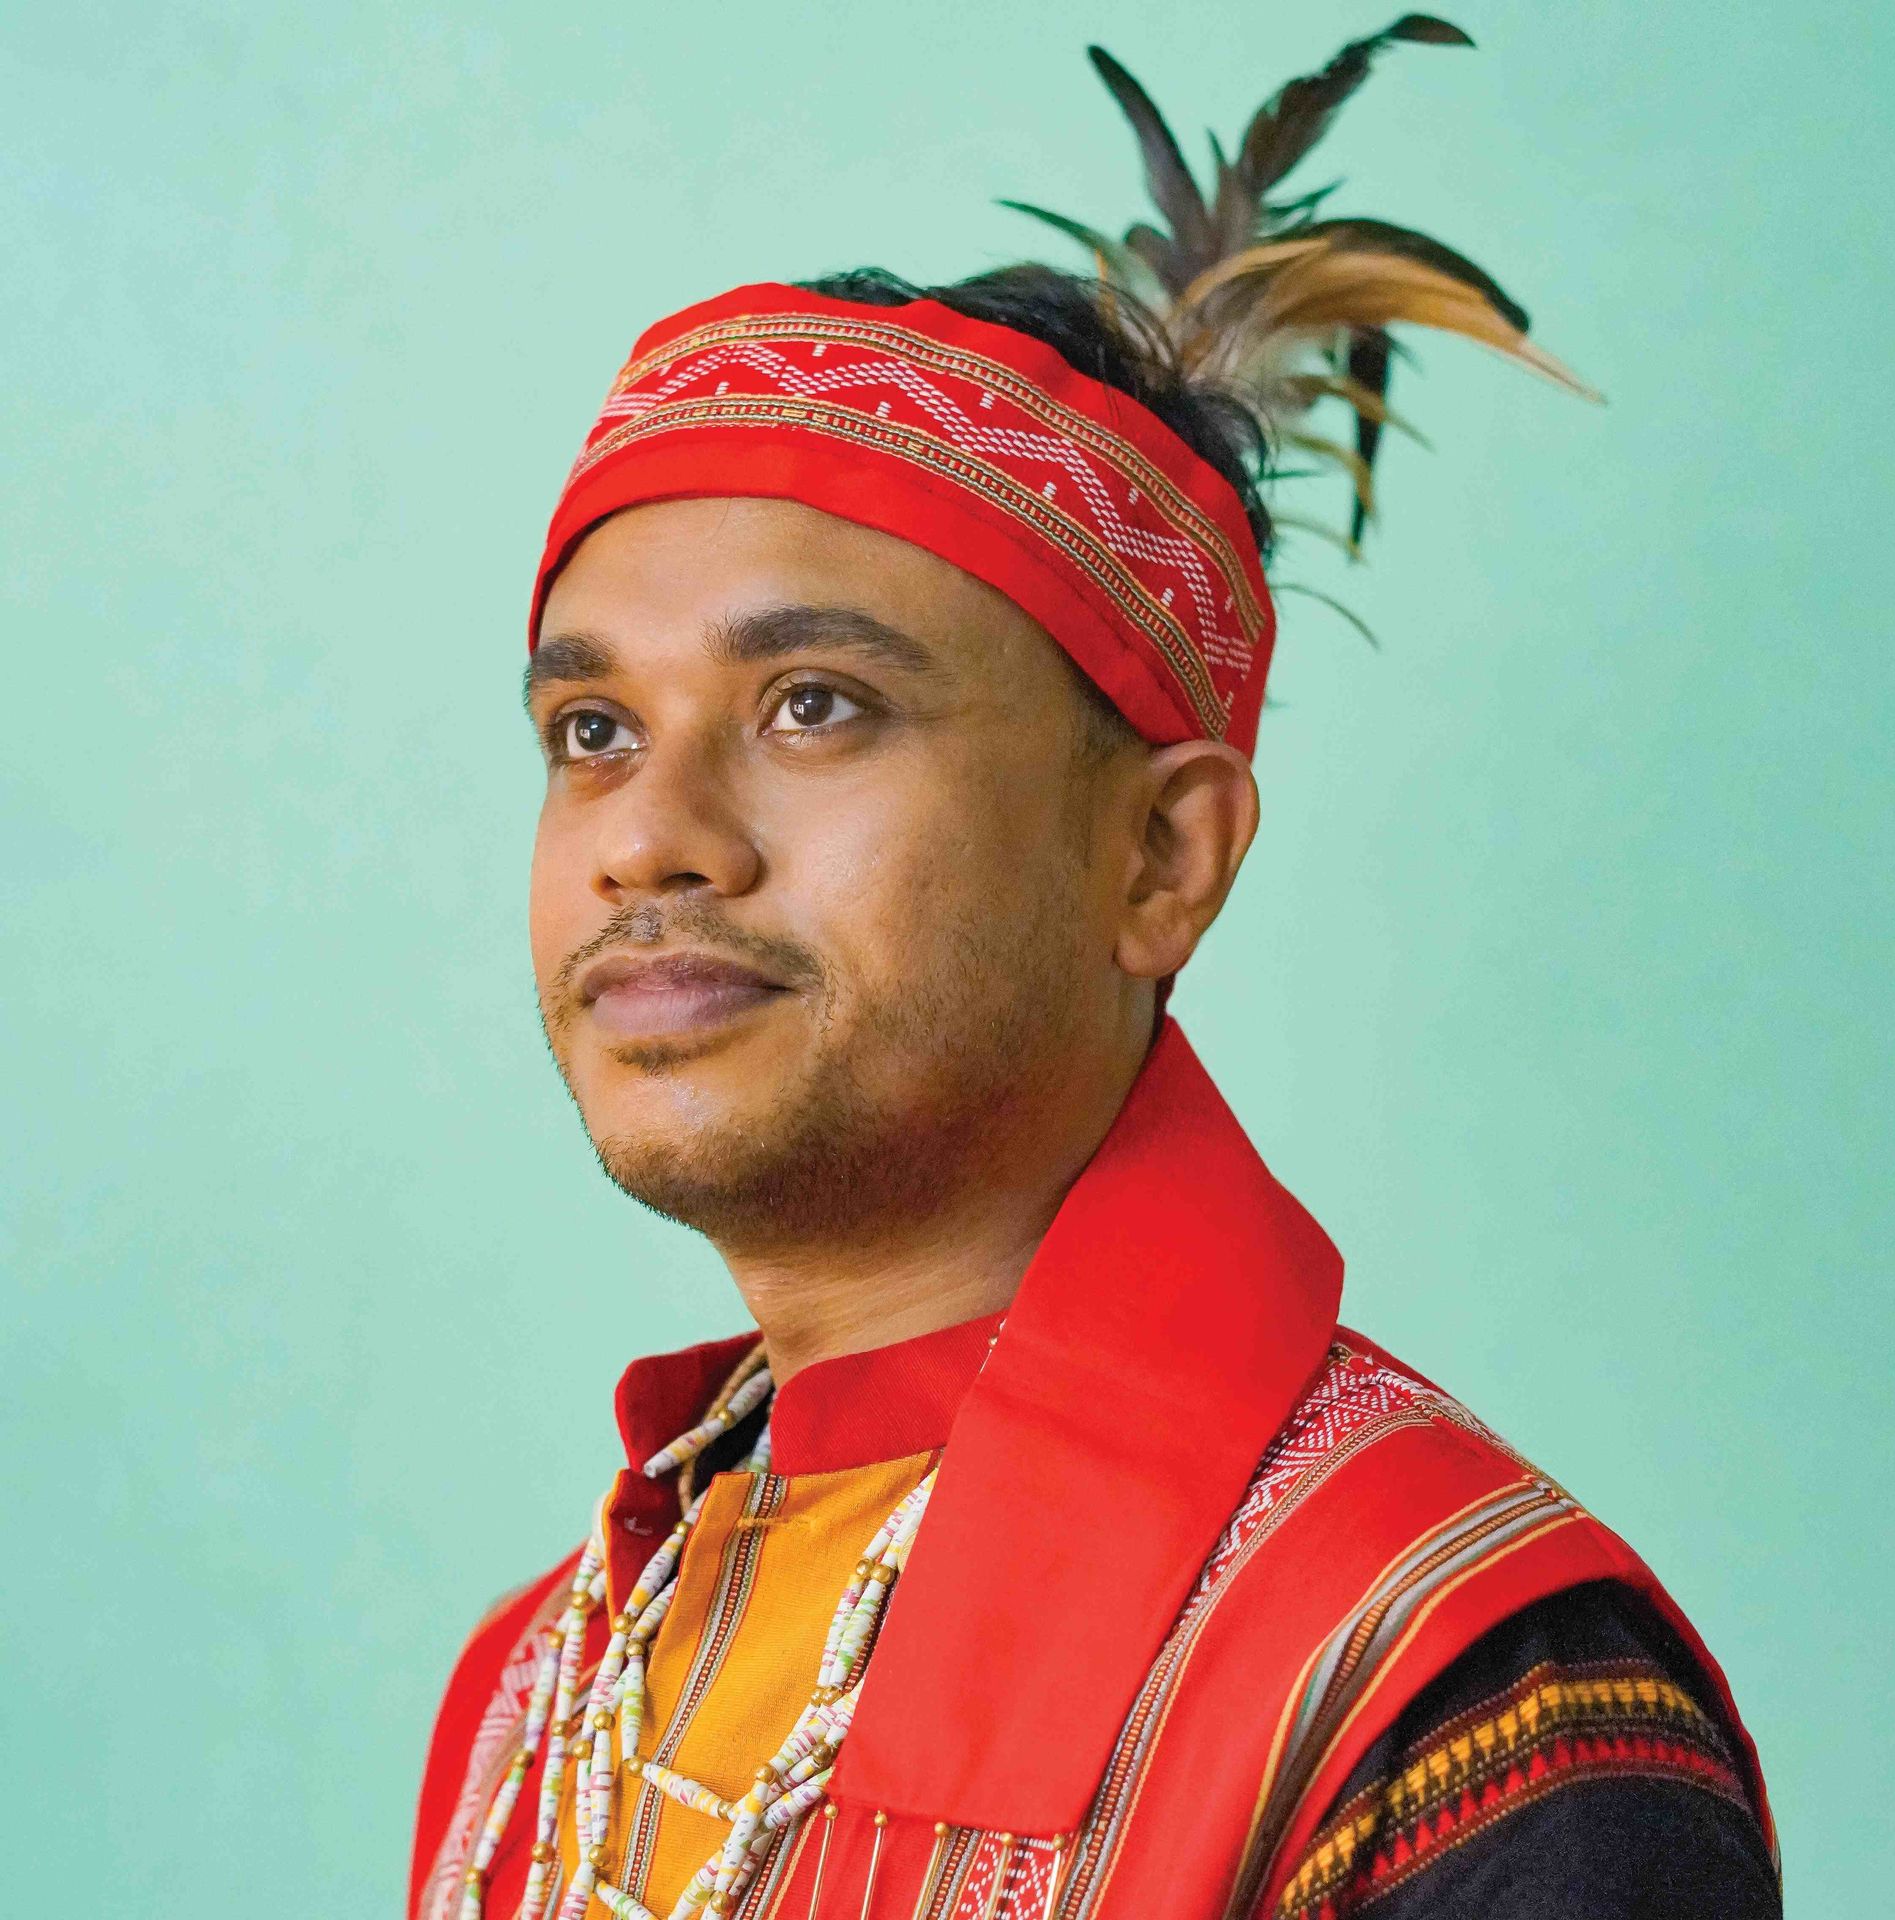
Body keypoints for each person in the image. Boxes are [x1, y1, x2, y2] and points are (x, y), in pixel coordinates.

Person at [411, 23, 1780, 1920]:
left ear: (1161, 856)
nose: (650, 837)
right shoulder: (534, 1699)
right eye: (592, 731)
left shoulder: (1443, 1695)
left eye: (814, 705)